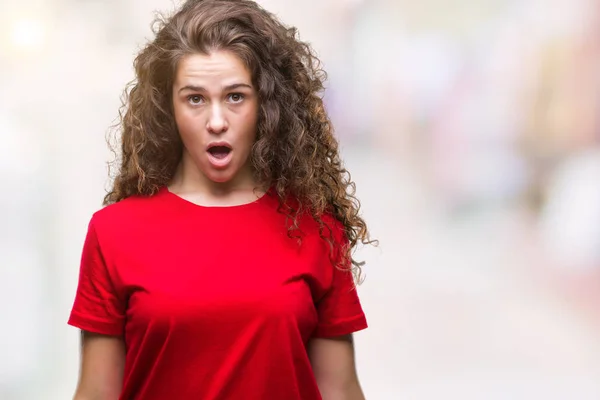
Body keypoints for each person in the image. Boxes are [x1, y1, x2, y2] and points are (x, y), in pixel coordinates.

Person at [68, 0, 375, 399]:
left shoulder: (316, 227)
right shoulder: (113, 232)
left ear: (266, 105)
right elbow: (96, 393)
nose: (216, 121)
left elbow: (340, 391)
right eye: (195, 98)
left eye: (235, 96)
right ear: (168, 108)